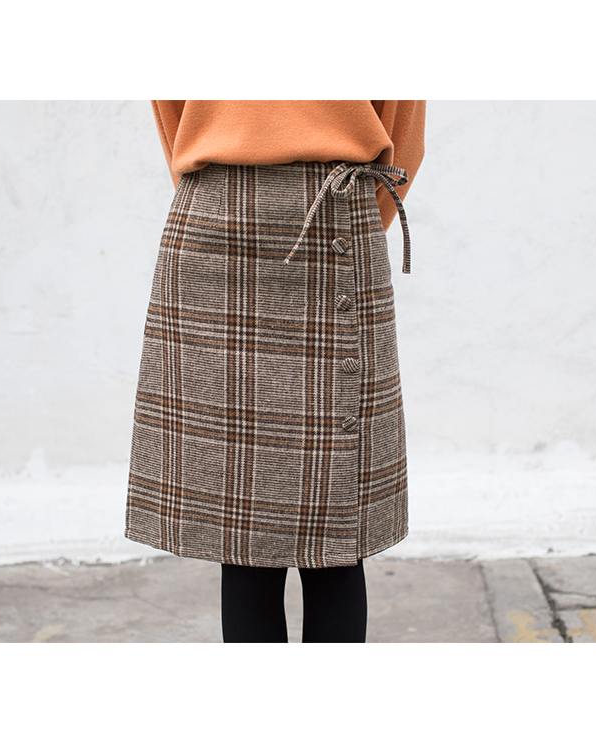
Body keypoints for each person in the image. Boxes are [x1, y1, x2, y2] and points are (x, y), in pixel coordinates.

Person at [125, 100, 426, 642]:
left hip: (229, 218)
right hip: (324, 215)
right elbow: (403, 124)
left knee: (285, 531)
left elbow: (172, 114)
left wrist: (226, 180)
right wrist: (356, 215)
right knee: (278, 530)